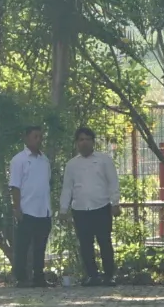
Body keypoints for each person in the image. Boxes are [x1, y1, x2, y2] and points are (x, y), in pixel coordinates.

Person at [60, 125, 121, 286]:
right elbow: (67, 187)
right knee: (85, 244)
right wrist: (63, 209)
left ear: (93, 142)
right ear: (76, 143)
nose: (84, 143)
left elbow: (113, 182)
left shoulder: (104, 160)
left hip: (101, 207)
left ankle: (109, 275)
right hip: (80, 209)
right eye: (81, 140)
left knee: (105, 242)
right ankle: (92, 276)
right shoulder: (71, 165)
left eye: (88, 139)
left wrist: (115, 202)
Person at [9, 123, 54, 287]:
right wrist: (17, 207)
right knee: (22, 246)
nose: (38, 140)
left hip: (44, 210)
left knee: (40, 246)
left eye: (40, 137)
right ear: (26, 138)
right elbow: (15, 185)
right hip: (27, 209)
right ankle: (21, 278)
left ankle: (39, 276)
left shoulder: (44, 160)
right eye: (35, 136)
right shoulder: (19, 160)